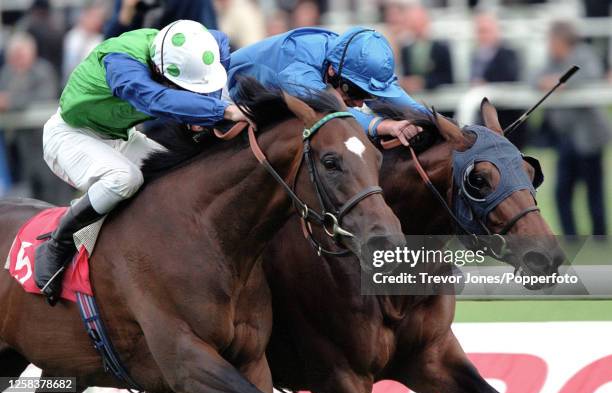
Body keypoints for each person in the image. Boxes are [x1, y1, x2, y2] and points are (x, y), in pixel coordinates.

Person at [35, 20, 246, 305]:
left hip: (120, 135)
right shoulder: (122, 65)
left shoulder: (186, 44)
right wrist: (221, 110)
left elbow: (219, 41)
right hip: (69, 135)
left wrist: (209, 99)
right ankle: (57, 245)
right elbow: (156, 99)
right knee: (124, 178)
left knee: (179, 175)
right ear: (160, 70)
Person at [227, 27, 427, 145]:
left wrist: (436, 121)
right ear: (331, 71)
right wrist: (386, 126)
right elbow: (334, 112)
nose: (359, 104)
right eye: (355, 92)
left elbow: (403, 103)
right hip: (223, 101)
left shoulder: (343, 60)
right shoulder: (298, 70)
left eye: (367, 96)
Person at [535, 20, 610, 236]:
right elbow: (532, 77)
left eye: (551, 40)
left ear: (561, 40)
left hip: (590, 137)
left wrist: (560, 84)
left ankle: (599, 235)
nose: (549, 45)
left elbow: (593, 76)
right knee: (562, 191)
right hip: (565, 137)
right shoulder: (551, 59)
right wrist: (544, 82)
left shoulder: (584, 54)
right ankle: (570, 235)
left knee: (593, 191)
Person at [0, 33, 74, 204]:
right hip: (19, 146)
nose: (17, 59)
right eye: (14, 56)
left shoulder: (43, 70)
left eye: (21, 54)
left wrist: (10, 101)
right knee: (27, 197)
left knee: (53, 194)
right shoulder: (6, 73)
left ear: (32, 53)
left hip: (46, 143)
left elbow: (44, 98)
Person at [470, 12, 526, 148]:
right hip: (482, 116)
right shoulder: (475, 55)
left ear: (497, 32)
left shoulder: (509, 53)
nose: (482, 35)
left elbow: (511, 77)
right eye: (479, 31)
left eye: (485, 31)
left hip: (505, 117)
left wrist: (486, 84)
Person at [400, 4, 453, 92]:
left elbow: (448, 78)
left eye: (418, 21)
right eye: (412, 21)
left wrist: (423, 82)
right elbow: (406, 75)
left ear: (426, 21)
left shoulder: (441, 48)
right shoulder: (405, 49)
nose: (415, 25)